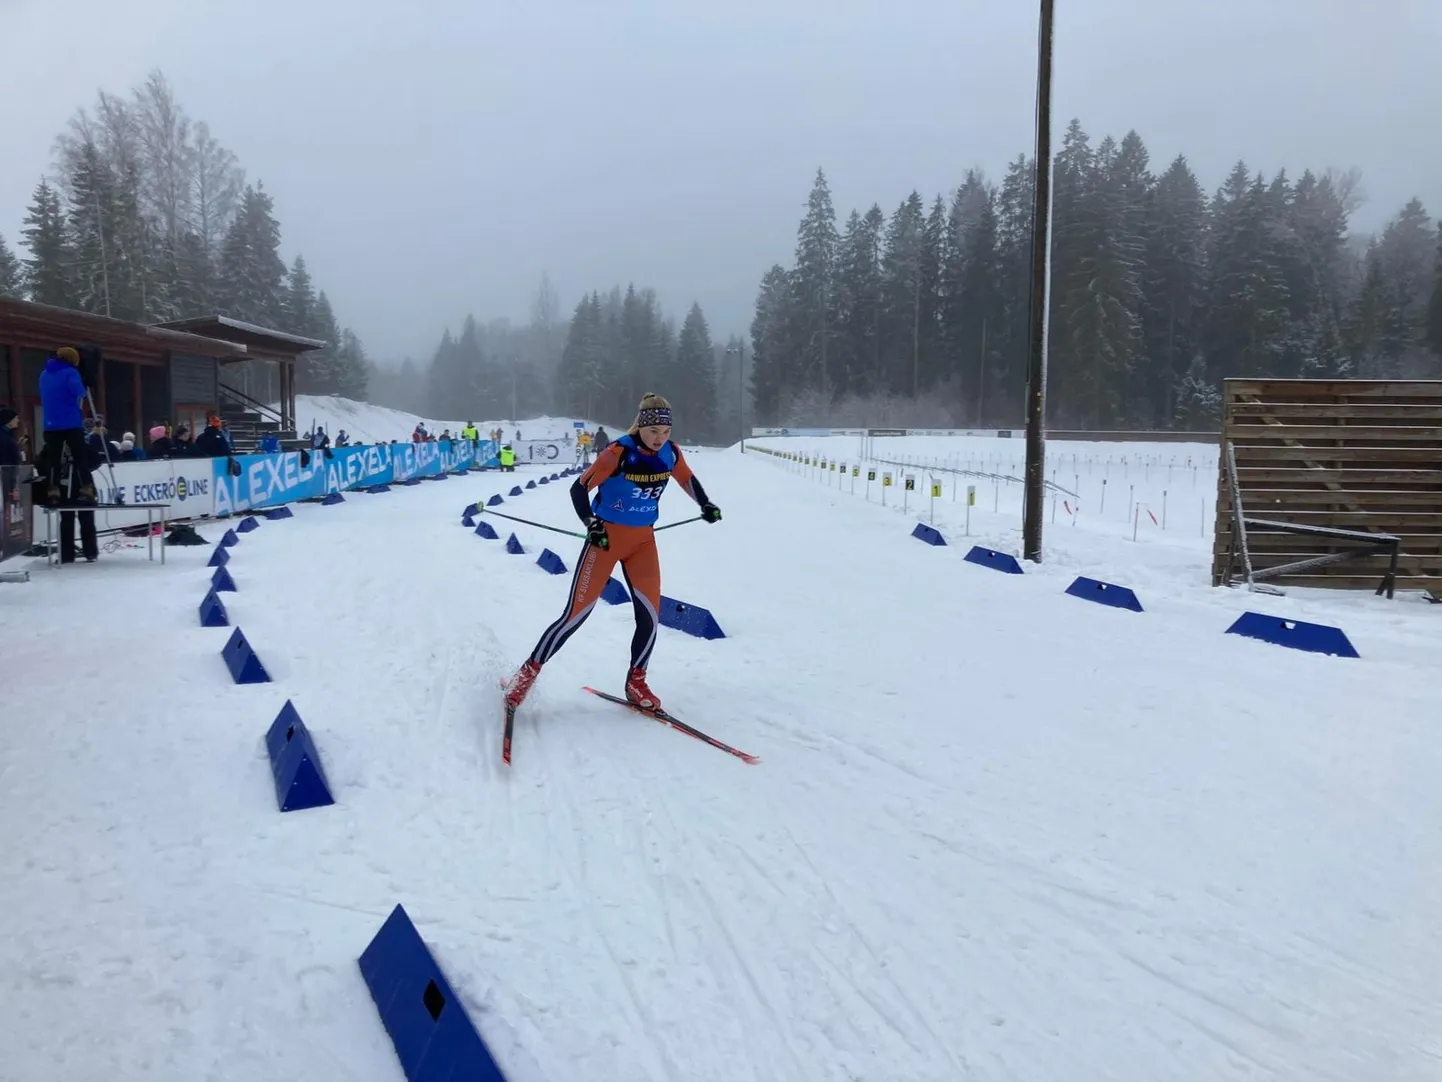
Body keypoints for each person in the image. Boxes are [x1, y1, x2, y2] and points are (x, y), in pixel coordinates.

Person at [504, 393, 722, 715]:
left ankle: (637, 680)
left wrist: (704, 503)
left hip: (643, 543)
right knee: (575, 616)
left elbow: (687, 479)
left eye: (665, 432)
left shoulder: (671, 454)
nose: (660, 439)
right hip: (604, 541)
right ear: (641, 428)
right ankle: (525, 675)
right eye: (653, 432)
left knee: (649, 615)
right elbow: (579, 488)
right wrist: (591, 522)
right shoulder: (618, 452)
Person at [39, 346, 95, 501]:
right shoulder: (71, 373)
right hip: (70, 422)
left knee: (53, 457)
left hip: (50, 423)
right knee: (79, 455)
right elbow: (80, 392)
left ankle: (53, 488)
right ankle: (86, 486)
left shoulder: (44, 374)